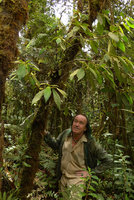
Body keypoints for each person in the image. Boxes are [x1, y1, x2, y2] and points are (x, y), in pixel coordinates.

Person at [43, 114, 112, 199]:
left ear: (85, 128)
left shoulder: (90, 142)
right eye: (75, 121)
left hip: (78, 179)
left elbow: (108, 160)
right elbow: (57, 146)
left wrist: (91, 173)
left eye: (81, 123)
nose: (77, 124)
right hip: (63, 177)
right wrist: (46, 134)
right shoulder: (65, 134)